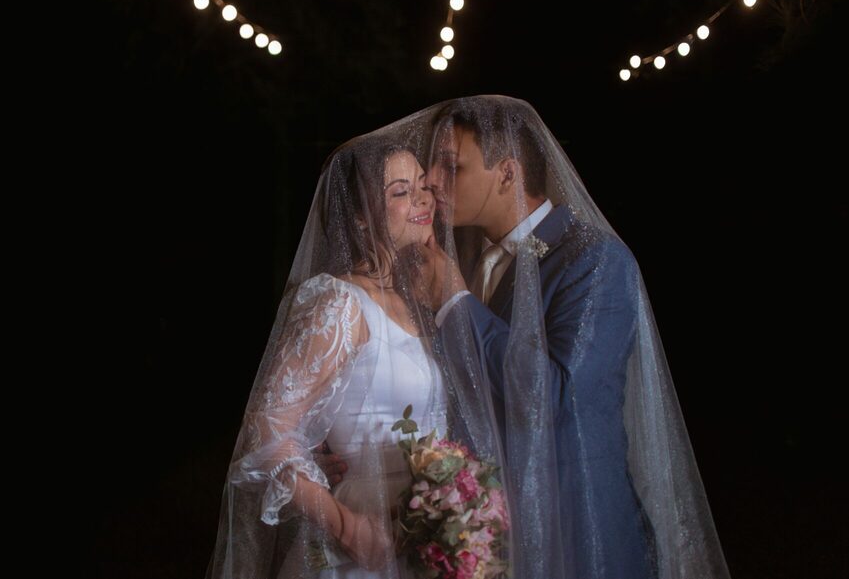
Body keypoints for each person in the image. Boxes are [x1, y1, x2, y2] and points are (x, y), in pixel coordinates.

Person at [414, 95, 731, 579]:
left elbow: (559, 397)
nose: (431, 180)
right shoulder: (477, 259)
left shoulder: (595, 260)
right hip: (492, 528)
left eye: (450, 165)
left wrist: (457, 304)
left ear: (507, 173)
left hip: (578, 528)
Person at [204, 122, 504, 578]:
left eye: (423, 186)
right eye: (402, 192)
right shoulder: (339, 303)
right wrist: (346, 525)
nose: (424, 199)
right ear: (361, 215)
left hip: (429, 538)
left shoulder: (420, 301)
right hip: (359, 544)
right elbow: (266, 434)